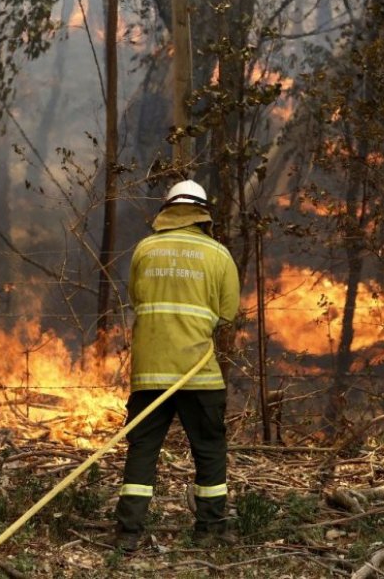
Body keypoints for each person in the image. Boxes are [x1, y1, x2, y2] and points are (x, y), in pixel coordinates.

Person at [113, 180, 240, 552]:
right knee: (209, 449)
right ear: (203, 214)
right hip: (199, 373)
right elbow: (227, 314)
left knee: (142, 449)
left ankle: (128, 533)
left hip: (150, 372)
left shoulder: (145, 249)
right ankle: (210, 528)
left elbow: (137, 299)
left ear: (167, 211)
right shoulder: (218, 254)